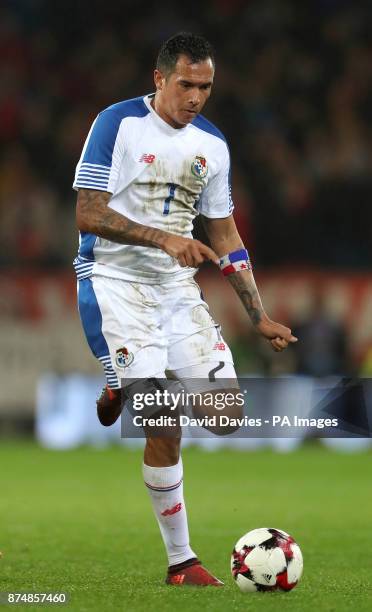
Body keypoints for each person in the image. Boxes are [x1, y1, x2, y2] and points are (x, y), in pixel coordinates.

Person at [73, 32, 297, 586]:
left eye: (206, 87)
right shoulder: (117, 124)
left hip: (176, 292)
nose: (195, 96)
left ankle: (124, 383)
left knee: (225, 419)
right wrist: (162, 239)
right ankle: (182, 562)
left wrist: (258, 315)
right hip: (115, 282)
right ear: (159, 79)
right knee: (164, 422)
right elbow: (86, 213)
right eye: (186, 84)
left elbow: (223, 232)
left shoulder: (212, 145)